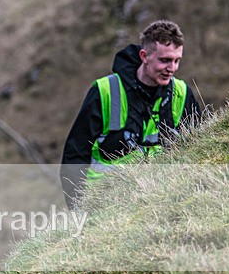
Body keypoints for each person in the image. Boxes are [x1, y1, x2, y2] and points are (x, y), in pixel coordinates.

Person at [60, 19, 201, 209]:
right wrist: (78, 210)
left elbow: (200, 150)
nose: (172, 69)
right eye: (165, 60)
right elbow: (75, 156)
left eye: (177, 61)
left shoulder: (182, 93)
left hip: (160, 198)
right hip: (104, 202)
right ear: (144, 56)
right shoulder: (105, 91)